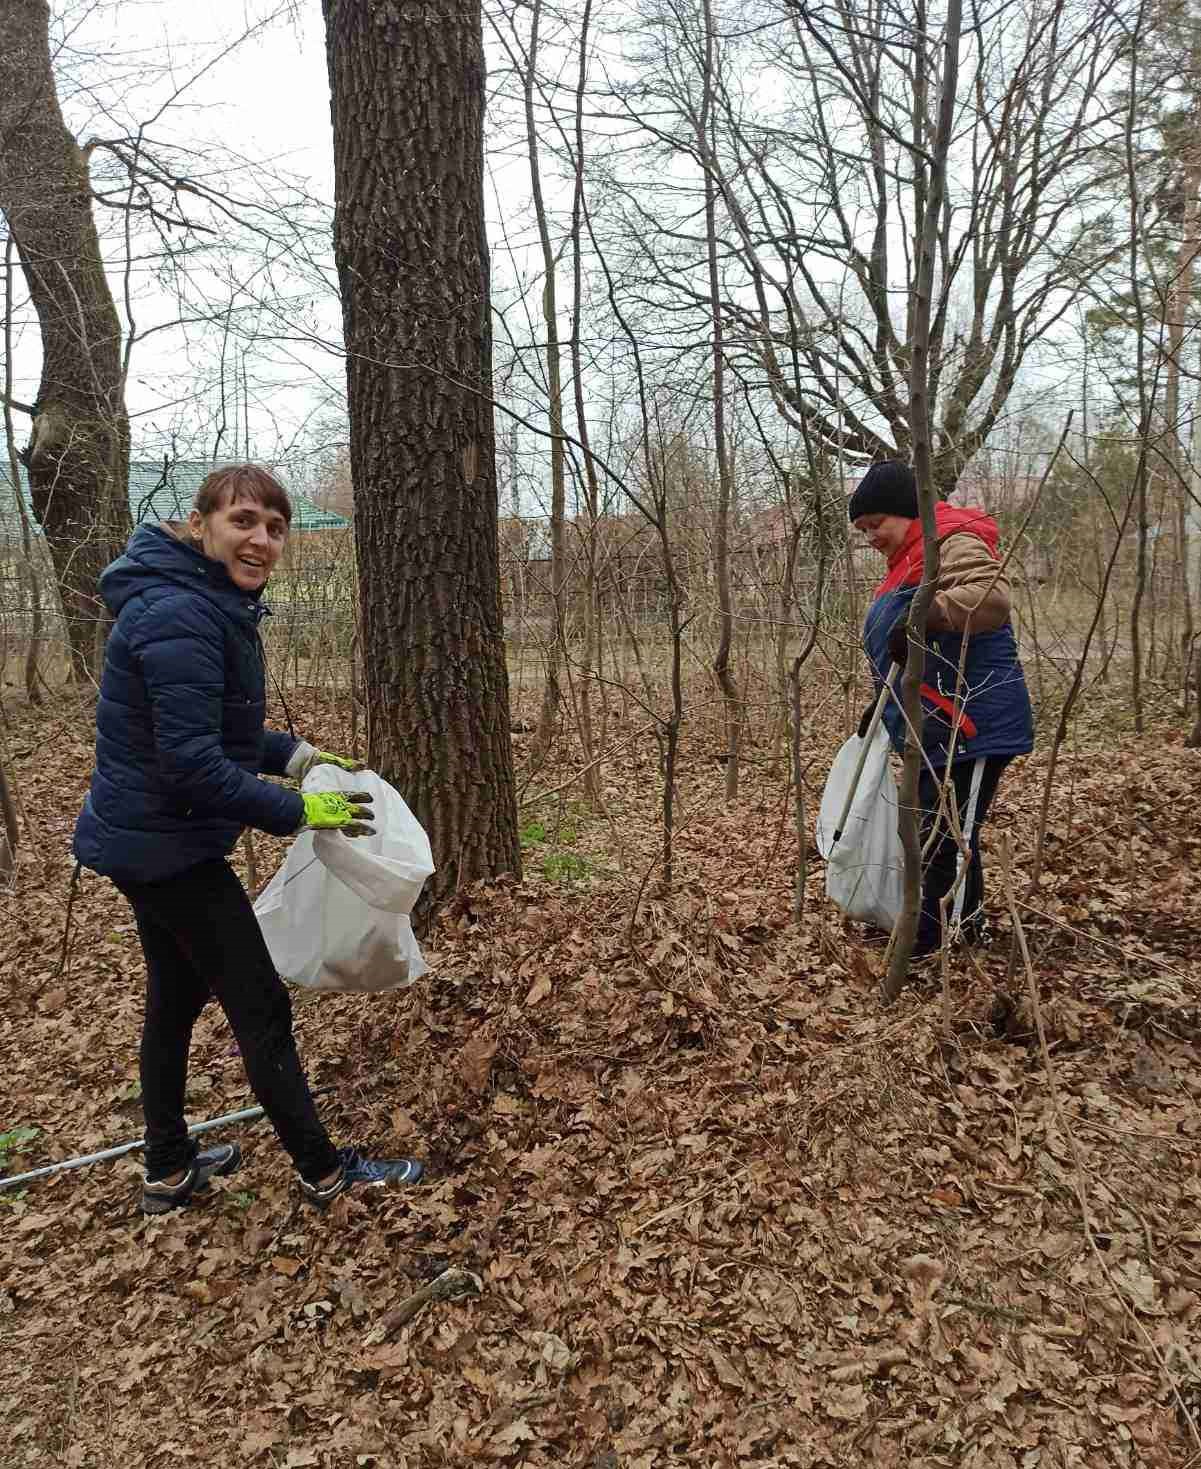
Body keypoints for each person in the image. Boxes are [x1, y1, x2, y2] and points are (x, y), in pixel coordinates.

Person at [74, 464, 424, 1215]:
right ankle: (324, 1174)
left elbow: (217, 729)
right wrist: (300, 811)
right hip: (168, 849)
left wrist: (297, 755)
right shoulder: (181, 613)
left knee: (175, 998)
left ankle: (168, 1167)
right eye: (242, 521)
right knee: (260, 1006)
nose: (261, 539)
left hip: (147, 841)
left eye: (274, 527)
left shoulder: (200, 601)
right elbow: (193, 764)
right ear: (199, 525)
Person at [849, 460, 1034, 958]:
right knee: (929, 830)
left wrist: (929, 613)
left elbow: (990, 598)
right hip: (932, 725)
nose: (870, 537)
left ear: (908, 511)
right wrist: (881, 703)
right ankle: (933, 929)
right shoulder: (907, 561)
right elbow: (905, 653)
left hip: (971, 723)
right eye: (863, 530)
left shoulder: (952, 540)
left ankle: (949, 941)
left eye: (875, 524)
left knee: (948, 835)